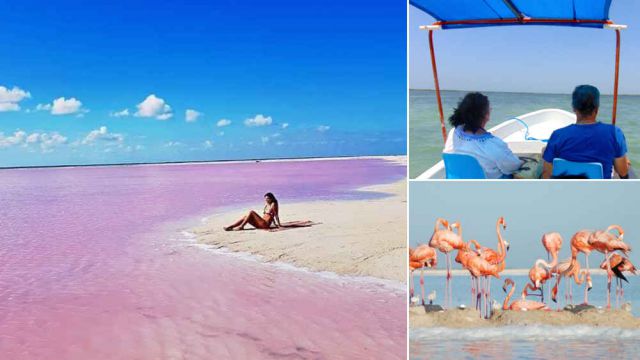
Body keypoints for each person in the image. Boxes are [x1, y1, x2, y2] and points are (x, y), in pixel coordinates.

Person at [541, 85, 629, 179]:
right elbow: (623, 172)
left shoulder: (557, 135)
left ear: (574, 108)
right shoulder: (615, 133)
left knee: (544, 154)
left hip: (566, 191)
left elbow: (547, 175)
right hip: (601, 191)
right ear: (597, 108)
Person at [443, 92, 523, 179]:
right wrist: (522, 162)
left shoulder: (453, 133)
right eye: (489, 109)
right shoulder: (494, 145)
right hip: (489, 191)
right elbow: (514, 166)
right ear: (486, 116)